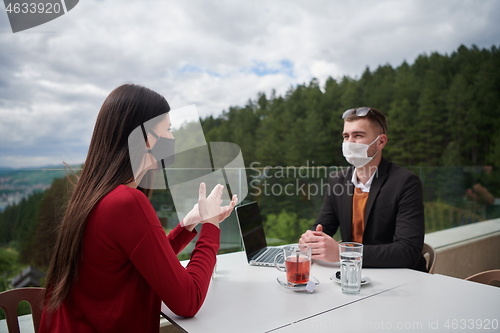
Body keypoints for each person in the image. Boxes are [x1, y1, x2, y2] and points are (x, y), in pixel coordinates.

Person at [39, 84, 238, 332]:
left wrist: (189, 223)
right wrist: (211, 226)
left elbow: (140, 258)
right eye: (168, 129)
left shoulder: (97, 194)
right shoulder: (127, 202)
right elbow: (189, 301)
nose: (173, 138)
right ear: (146, 138)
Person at [299, 107, 426, 272]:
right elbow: (322, 227)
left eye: (358, 135)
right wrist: (310, 239)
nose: (349, 142)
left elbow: (408, 252)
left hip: (398, 277)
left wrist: (342, 252)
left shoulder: (406, 183)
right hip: (352, 274)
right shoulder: (338, 180)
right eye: (346, 136)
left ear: (381, 142)